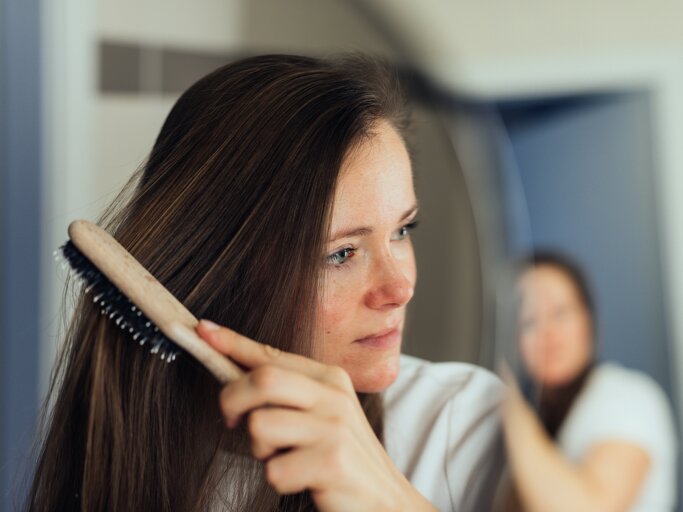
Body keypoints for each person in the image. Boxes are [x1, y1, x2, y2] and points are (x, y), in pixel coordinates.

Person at [25, 54, 503, 511]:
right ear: (222, 267)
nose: (400, 288)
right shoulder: (120, 446)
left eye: (402, 230)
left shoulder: (466, 425)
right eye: (341, 254)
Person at [499, 251, 678, 512]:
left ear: (589, 320)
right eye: (528, 322)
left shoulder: (628, 397)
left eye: (560, 313)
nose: (548, 333)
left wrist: (504, 398)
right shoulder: (537, 419)